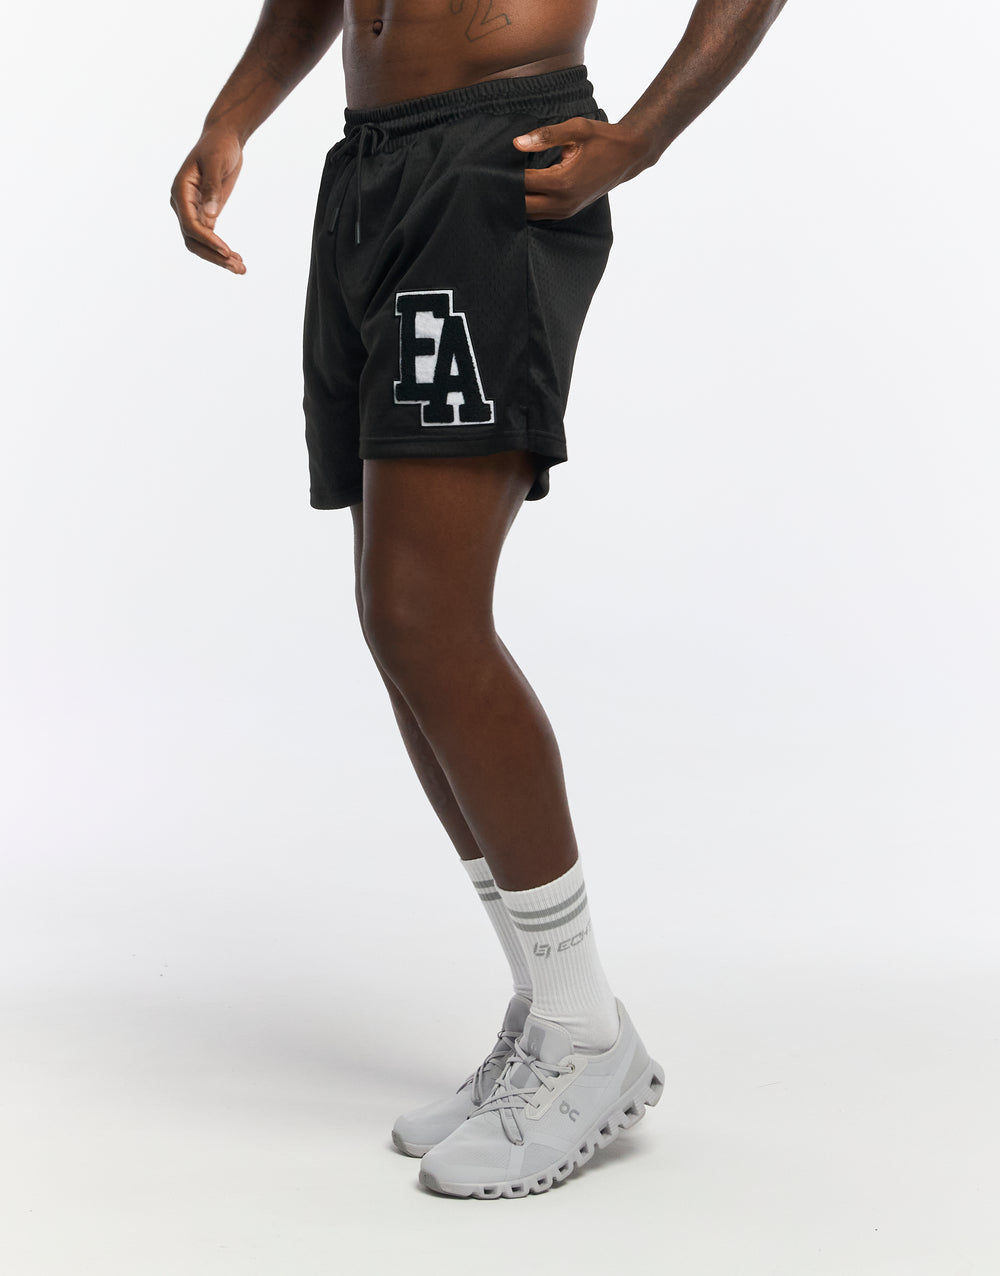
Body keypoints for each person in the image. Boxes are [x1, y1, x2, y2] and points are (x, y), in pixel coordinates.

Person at [169, 0, 788, 1199]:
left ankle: (587, 1037)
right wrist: (233, 116)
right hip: (370, 168)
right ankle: (550, 1009)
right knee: (394, 620)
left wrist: (642, 137)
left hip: (497, 162)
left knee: (425, 614)